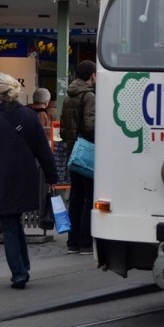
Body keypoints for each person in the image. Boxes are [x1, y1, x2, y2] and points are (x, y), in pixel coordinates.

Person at [0, 73, 58, 289]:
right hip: (26, 177)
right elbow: (43, 150)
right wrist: (52, 176)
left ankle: (19, 272)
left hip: (2, 178)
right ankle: (23, 266)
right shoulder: (28, 116)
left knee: (9, 225)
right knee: (15, 223)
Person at [60, 60, 96, 255]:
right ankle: (85, 241)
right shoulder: (89, 96)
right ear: (92, 76)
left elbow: (64, 127)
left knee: (75, 197)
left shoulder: (68, 96)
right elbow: (91, 126)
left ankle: (71, 241)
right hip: (88, 153)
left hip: (73, 152)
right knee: (89, 198)